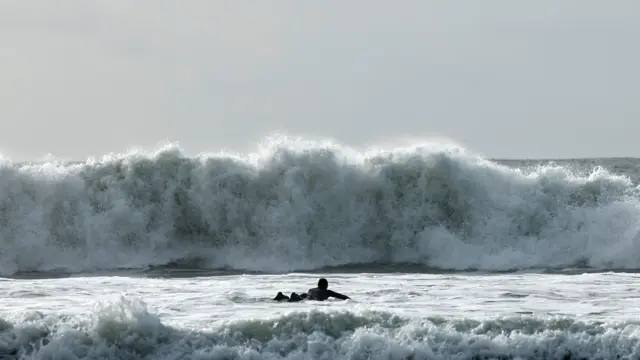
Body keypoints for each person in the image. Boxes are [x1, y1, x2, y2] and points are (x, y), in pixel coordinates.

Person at [273, 278, 350, 302]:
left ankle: (282, 296)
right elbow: (340, 296)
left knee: (301, 297)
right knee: (301, 299)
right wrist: (349, 300)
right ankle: (292, 297)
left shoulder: (311, 289)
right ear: (325, 285)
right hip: (311, 300)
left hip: (306, 296)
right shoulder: (327, 292)